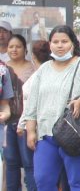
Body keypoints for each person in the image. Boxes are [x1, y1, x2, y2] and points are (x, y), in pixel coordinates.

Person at [21, 25, 80, 191]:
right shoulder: (44, 69)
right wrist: (31, 130)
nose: (60, 45)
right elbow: (32, 102)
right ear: (50, 45)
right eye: (55, 42)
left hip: (76, 133)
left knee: (77, 183)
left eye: (64, 41)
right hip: (46, 135)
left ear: (73, 43)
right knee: (42, 181)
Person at [6, 33, 36, 191]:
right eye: (11, 47)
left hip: (26, 122)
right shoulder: (2, 67)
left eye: (18, 46)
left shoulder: (32, 68)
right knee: (10, 162)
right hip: (6, 122)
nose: (14, 49)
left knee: (28, 162)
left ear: (25, 49)